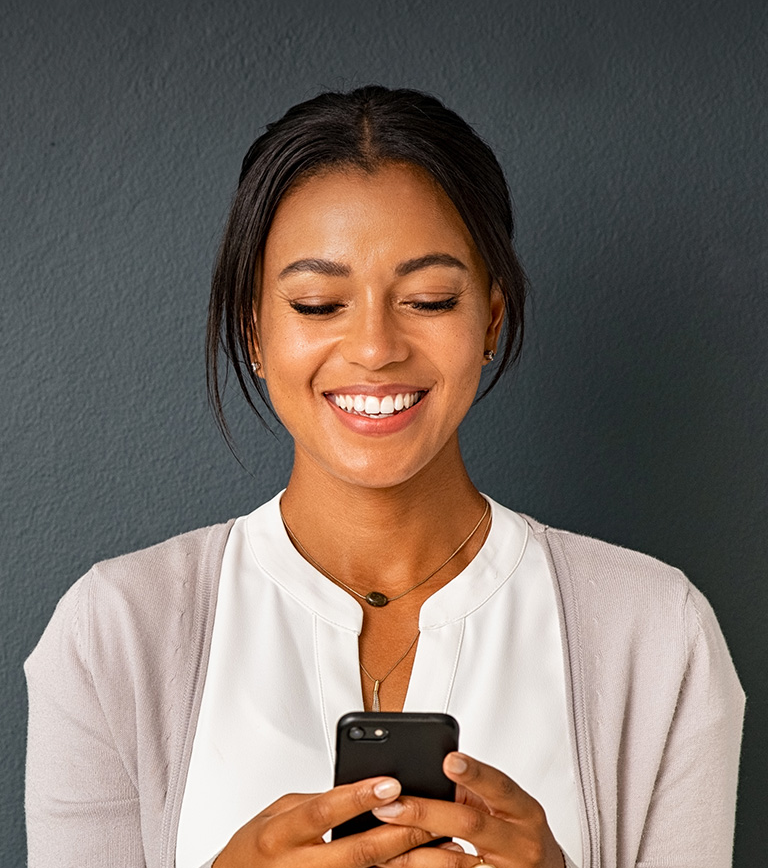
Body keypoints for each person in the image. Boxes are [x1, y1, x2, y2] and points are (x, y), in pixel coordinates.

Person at [25, 85, 745, 868]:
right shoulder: (116, 632)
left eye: (429, 298)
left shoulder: (657, 632)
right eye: (318, 302)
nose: (374, 347)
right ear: (253, 327)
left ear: (492, 322)